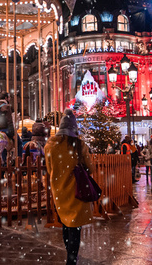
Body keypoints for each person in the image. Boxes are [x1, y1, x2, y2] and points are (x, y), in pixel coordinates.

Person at [45, 110, 94, 265]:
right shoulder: (79, 145)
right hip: (76, 190)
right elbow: (90, 168)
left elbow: (49, 168)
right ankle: (71, 260)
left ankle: (70, 256)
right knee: (75, 228)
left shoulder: (50, 145)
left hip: (59, 190)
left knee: (66, 224)